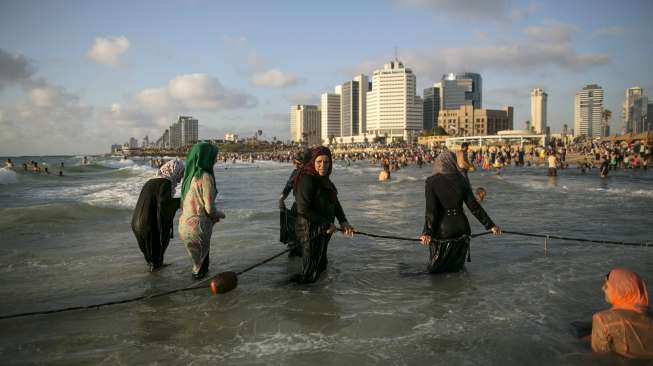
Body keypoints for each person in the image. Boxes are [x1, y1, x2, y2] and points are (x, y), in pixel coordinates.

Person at [419, 151, 501, 273]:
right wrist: (491, 226)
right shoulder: (462, 180)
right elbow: (474, 207)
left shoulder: (431, 181)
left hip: (443, 231)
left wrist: (427, 232)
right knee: (457, 269)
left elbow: (431, 210)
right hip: (462, 229)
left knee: (436, 271)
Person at [293, 146, 354, 283]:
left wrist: (343, 221)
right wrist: (326, 223)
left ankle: (319, 296)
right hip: (309, 230)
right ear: (313, 162)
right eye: (319, 162)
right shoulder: (307, 179)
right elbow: (302, 209)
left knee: (321, 265)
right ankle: (299, 297)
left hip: (324, 229)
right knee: (310, 270)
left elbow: (335, 202)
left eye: (326, 162)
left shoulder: (326, 180)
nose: (323, 166)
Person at [178, 143, 225, 280]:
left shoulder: (189, 177)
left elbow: (183, 205)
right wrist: (221, 214)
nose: (216, 159)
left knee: (196, 265)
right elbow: (209, 209)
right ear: (206, 157)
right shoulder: (205, 177)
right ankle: (203, 296)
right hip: (198, 228)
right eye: (214, 156)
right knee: (202, 268)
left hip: (184, 226)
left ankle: (196, 296)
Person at [131, 159, 184, 272]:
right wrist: (180, 202)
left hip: (137, 223)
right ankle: (157, 286)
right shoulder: (165, 183)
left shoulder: (150, 181)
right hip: (148, 225)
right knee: (155, 263)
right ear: (174, 171)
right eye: (180, 174)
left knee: (152, 260)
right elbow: (164, 204)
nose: (180, 180)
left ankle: (155, 281)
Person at [592, 269, 653, 359]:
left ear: (622, 289)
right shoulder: (650, 315)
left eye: (607, 285)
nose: (603, 288)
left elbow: (600, 357)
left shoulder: (601, 319)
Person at [279, 149, 310, 257]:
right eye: (294, 162)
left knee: (306, 238)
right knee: (293, 237)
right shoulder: (295, 173)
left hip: (310, 209)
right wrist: (282, 198)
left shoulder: (313, 175)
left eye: (298, 163)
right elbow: (288, 186)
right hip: (297, 207)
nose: (295, 166)